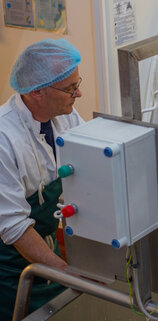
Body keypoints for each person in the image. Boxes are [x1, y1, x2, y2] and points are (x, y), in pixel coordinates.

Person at [0, 38, 84, 319]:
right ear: (37, 92)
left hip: (47, 250)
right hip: (9, 269)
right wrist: (66, 273)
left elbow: (89, 164)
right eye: (71, 89)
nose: (79, 94)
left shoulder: (65, 117)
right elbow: (14, 227)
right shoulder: (4, 139)